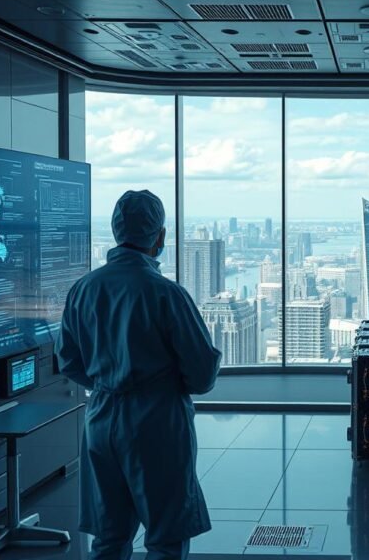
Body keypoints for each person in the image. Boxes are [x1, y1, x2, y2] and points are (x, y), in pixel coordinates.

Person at [55, 190, 222, 560]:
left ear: (116, 232)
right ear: (159, 238)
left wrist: (106, 383)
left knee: (108, 538)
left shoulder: (83, 289)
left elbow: (67, 360)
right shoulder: (166, 294)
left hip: (99, 421)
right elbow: (202, 374)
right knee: (165, 538)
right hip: (156, 424)